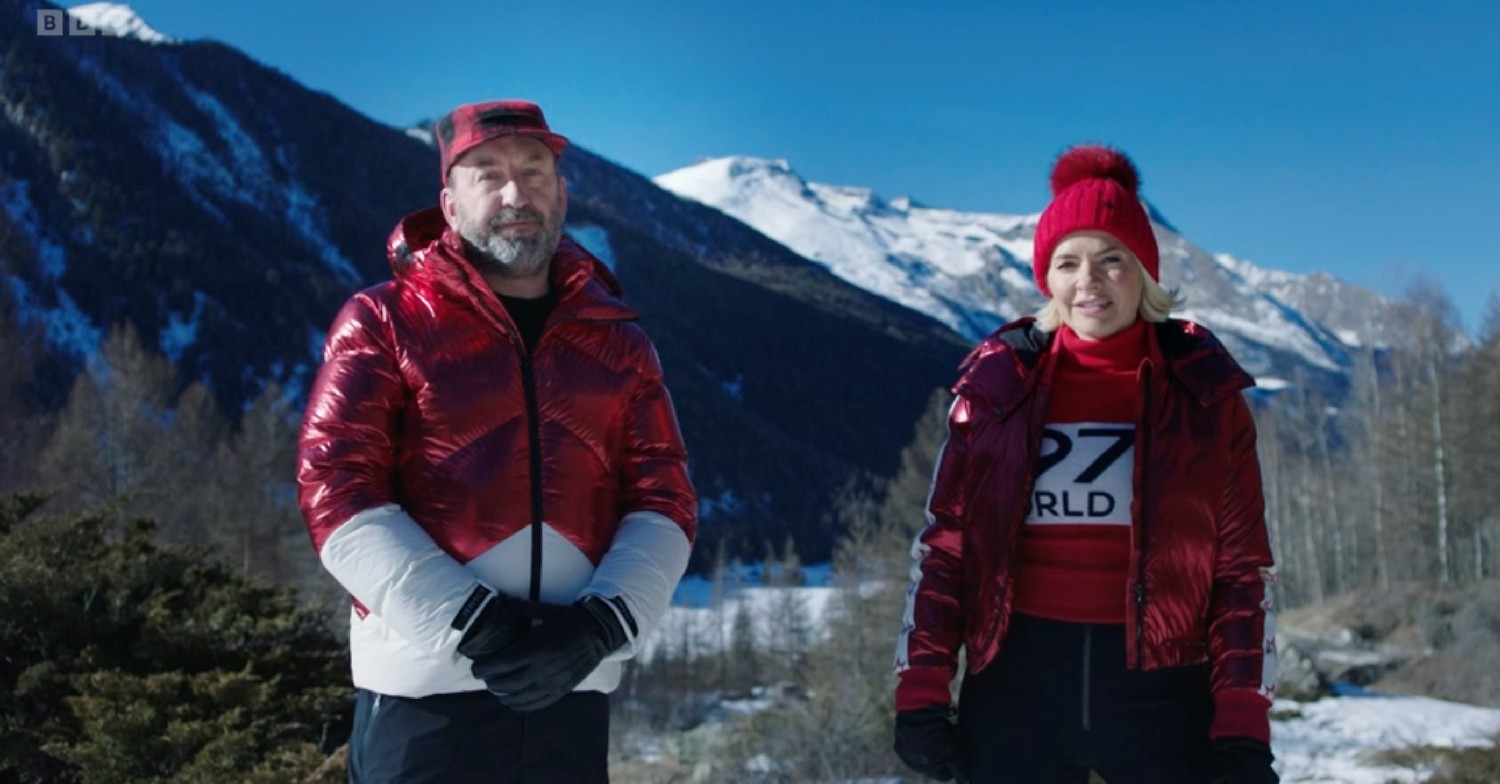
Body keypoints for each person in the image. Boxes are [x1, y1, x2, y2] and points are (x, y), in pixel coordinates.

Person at [296, 99, 697, 784]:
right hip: (424, 704)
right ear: (448, 204)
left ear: (563, 193)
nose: (517, 194)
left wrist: (600, 629)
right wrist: (471, 627)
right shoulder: (382, 321)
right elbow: (336, 488)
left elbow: (664, 499)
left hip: (570, 693)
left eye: (535, 172)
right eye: (488, 174)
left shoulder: (620, 343)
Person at [891, 144, 1279, 784]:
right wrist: (923, 688)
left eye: (1111, 260)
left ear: (1144, 274)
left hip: (1165, 699)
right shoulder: (997, 387)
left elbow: (1242, 572)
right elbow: (945, 552)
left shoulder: (1205, 397)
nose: (1088, 281)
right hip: (1015, 690)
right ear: (1048, 278)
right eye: (1067, 262)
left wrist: (1242, 724)